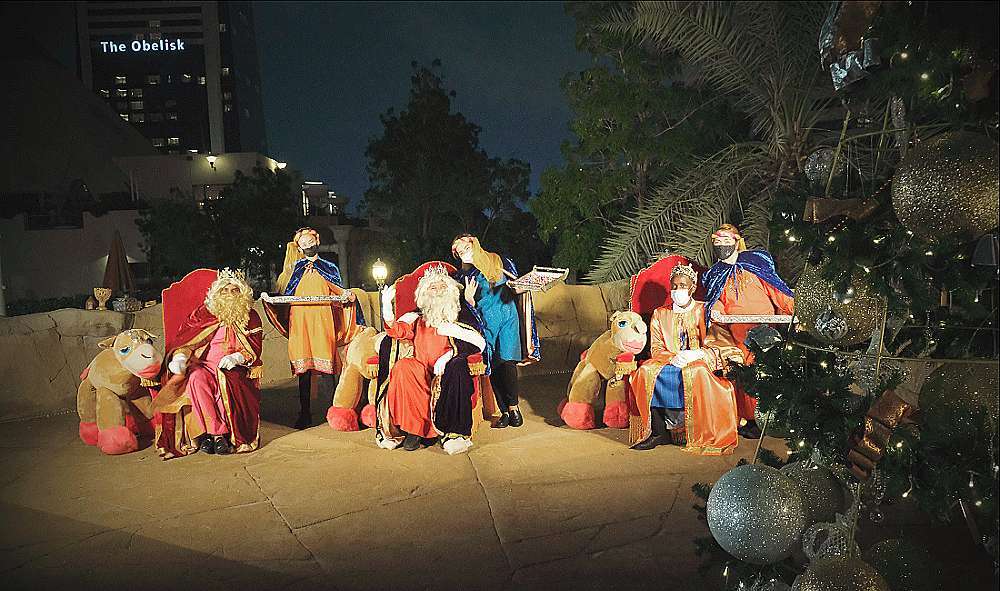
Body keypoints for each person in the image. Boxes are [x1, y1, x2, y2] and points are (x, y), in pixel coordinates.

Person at [628, 264, 742, 453]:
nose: (677, 290)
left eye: (682, 285)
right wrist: (672, 357)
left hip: (699, 360)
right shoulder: (660, 313)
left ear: (692, 288)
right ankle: (658, 431)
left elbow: (719, 342)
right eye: (674, 286)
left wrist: (697, 354)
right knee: (645, 372)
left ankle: (696, 431)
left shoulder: (705, 311)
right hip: (669, 361)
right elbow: (656, 346)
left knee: (696, 372)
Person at [374, 265, 486, 454]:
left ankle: (449, 432)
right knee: (403, 367)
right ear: (424, 293)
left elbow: (476, 341)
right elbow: (396, 332)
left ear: (450, 291)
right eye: (433, 288)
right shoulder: (416, 319)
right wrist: (386, 307)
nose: (438, 291)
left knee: (456, 368)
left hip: (446, 371)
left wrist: (449, 355)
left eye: (442, 287)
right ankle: (414, 431)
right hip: (420, 370)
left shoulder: (459, 318)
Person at [155, 269, 263, 457]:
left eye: (234, 290)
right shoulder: (204, 314)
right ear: (216, 293)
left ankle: (215, 437)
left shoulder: (250, 316)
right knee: (196, 378)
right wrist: (180, 358)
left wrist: (237, 357)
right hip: (203, 365)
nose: (229, 294)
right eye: (225, 290)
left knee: (227, 382)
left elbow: (254, 347)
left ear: (242, 293)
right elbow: (187, 341)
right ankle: (216, 433)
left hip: (231, 368)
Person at [702, 223, 795, 438]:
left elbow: (777, 290)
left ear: (736, 242)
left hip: (765, 330)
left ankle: (778, 416)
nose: (721, 246)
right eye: (717, 242)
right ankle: (752, 419)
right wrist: (715, 312)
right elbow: (716, 301)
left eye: (726, 241)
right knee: (743, 371)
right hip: (738, 335)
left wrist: (795, 308)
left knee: (768, 367)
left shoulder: (755, 265)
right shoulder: (716, 274)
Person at [265, 227, 363, 429]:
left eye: (311, 241)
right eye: (304, 242)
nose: (308, 244)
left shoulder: (329, 267)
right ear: (299, 246)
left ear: (317, 242)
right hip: (300, 322)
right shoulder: (295, 269)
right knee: (304, 370)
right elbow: (286, 293)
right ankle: (305, 413)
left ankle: (335, 409)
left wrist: (348, 296)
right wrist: (270, 300)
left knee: (327, 367)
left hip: (322, 320)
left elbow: (339, 290)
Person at [450, 234, 538, 429]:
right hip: (485, 323)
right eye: (456, 250)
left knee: (507, 362)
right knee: (493, 366)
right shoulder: (462, 276)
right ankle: (504, 412)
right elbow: (463, 308)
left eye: (462, 245)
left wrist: (527, 285)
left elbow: (518, 286)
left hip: (507, 316)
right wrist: (469, 299)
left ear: (473, 241)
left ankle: (514, 408)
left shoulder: (499, 261)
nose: (460, 251)